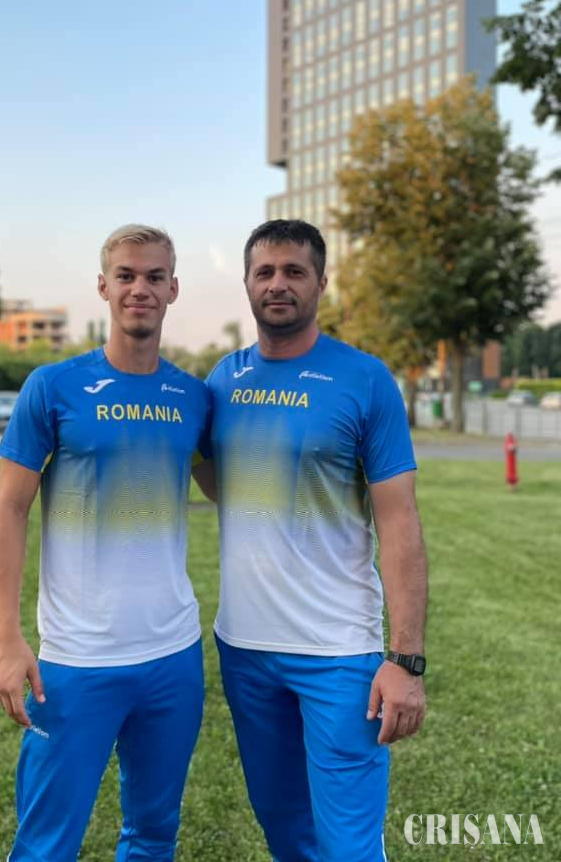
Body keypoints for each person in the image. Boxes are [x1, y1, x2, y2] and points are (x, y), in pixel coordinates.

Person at [195, 219, 427, 862]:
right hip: (244, 647)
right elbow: (222, 484)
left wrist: (406, 660)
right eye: (265, 272)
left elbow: (400, 523)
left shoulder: (365, 379)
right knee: (284, 829)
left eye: (294, 271)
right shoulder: (223, 381)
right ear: (247, 283)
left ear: (321, 283)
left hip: (339, 651)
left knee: (348, 843)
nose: (278, 284)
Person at [0, 225, 210, 862]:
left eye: (154, 277)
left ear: (173, 289)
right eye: (126, 276)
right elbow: (10, 509)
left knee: (153, 836)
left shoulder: (194, 398)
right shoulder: (52, 387)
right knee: (45, 844)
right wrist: (6, 640)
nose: (140, 288)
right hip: (76, 658)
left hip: (173, 656)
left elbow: (233, 485)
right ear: (104, 287)